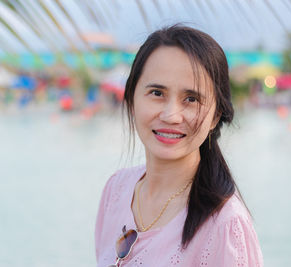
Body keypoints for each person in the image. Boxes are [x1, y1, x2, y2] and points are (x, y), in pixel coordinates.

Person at [95, 25, 264, 267]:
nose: (171, 115)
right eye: (157, 93)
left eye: (192, 99)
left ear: (216, 116)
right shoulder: (116, 190)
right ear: (132, 99)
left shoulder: (225, 224)